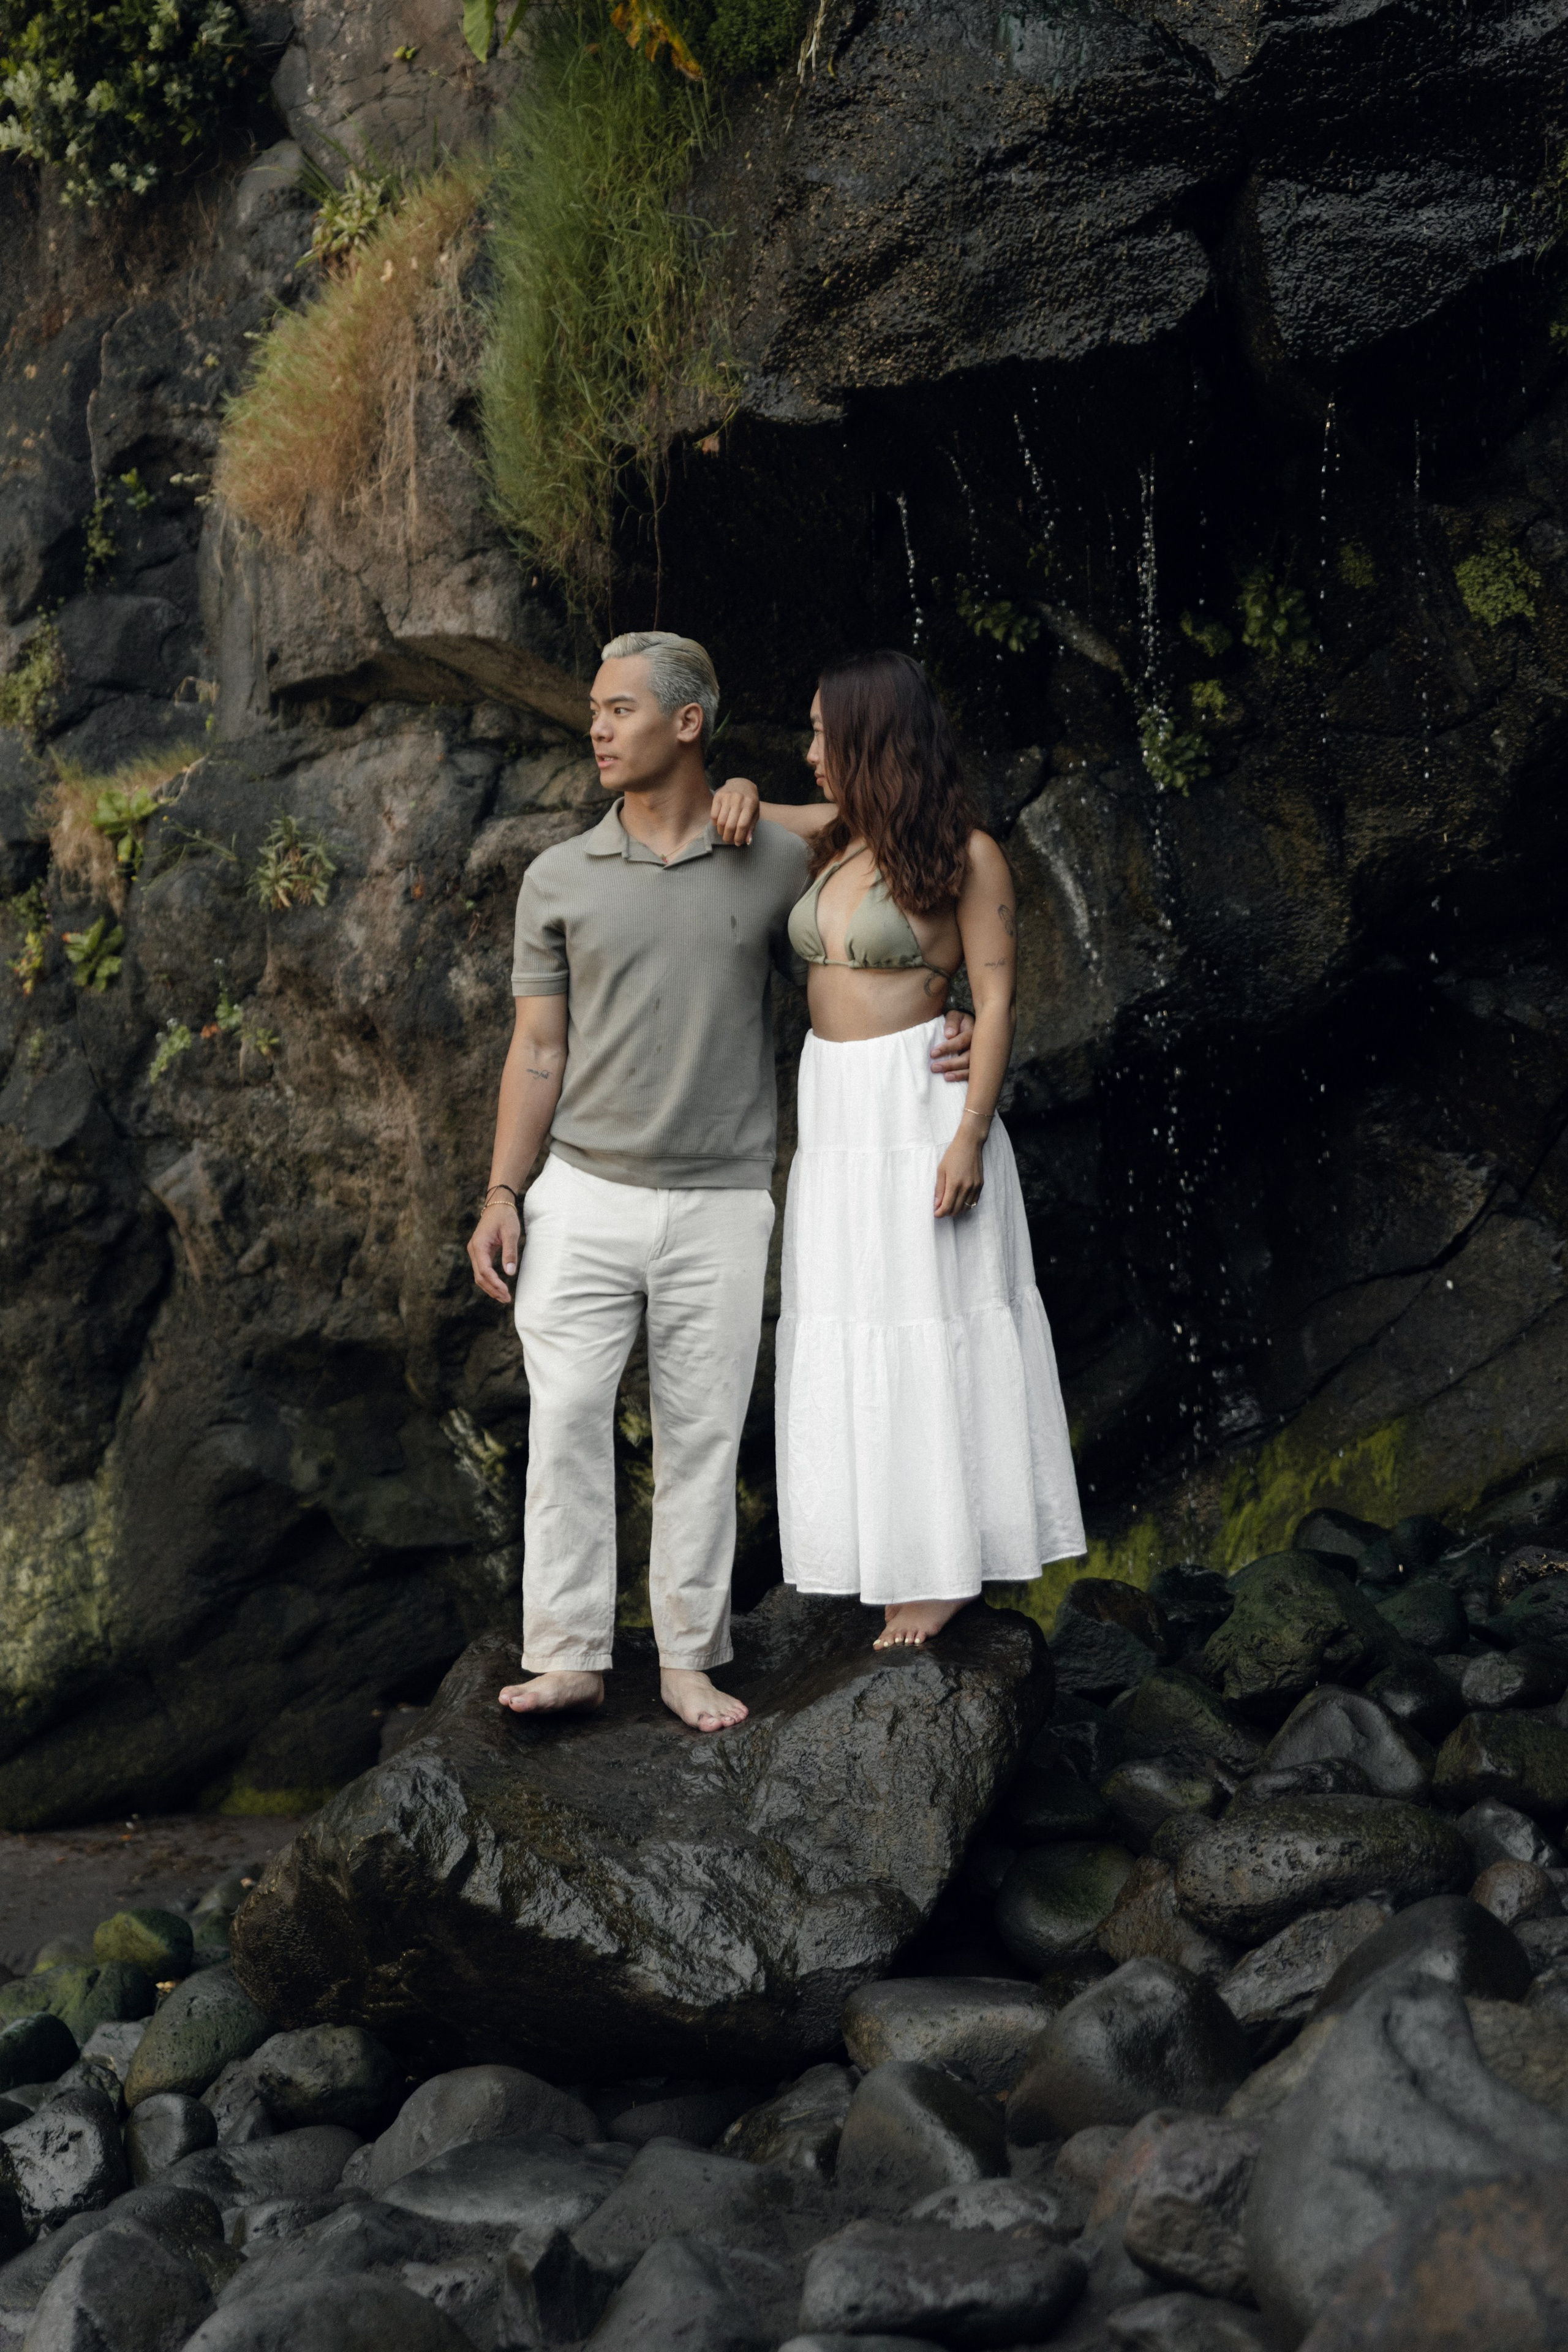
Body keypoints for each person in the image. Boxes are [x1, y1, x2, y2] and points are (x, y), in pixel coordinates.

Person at [466, 631, 974, 1730]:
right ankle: (566, 1654)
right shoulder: (557, 877)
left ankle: (691, 1660)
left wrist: (959, 1009)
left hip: (726, 1199)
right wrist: (504, 1192)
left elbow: (893, 856)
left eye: (620, 710)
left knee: (701, 1435)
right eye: (594, 711)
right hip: (582, 1192)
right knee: (564, 1420)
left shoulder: (777, 858)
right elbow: (537, 1052)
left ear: (687, 723)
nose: (596, 729)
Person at [710, 649, 1085, 1648]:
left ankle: (945, 1567)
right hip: (836, 1116)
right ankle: (888, 1545)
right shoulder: (837, 839)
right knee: (852, 1318)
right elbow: (736, 809)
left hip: (920, 1109)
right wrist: (742, 786)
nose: (811, 753)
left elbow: (999, 1003)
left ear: (872, 740)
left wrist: (968, 1137)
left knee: (931, 1319)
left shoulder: (968, 855)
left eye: (824, 736)